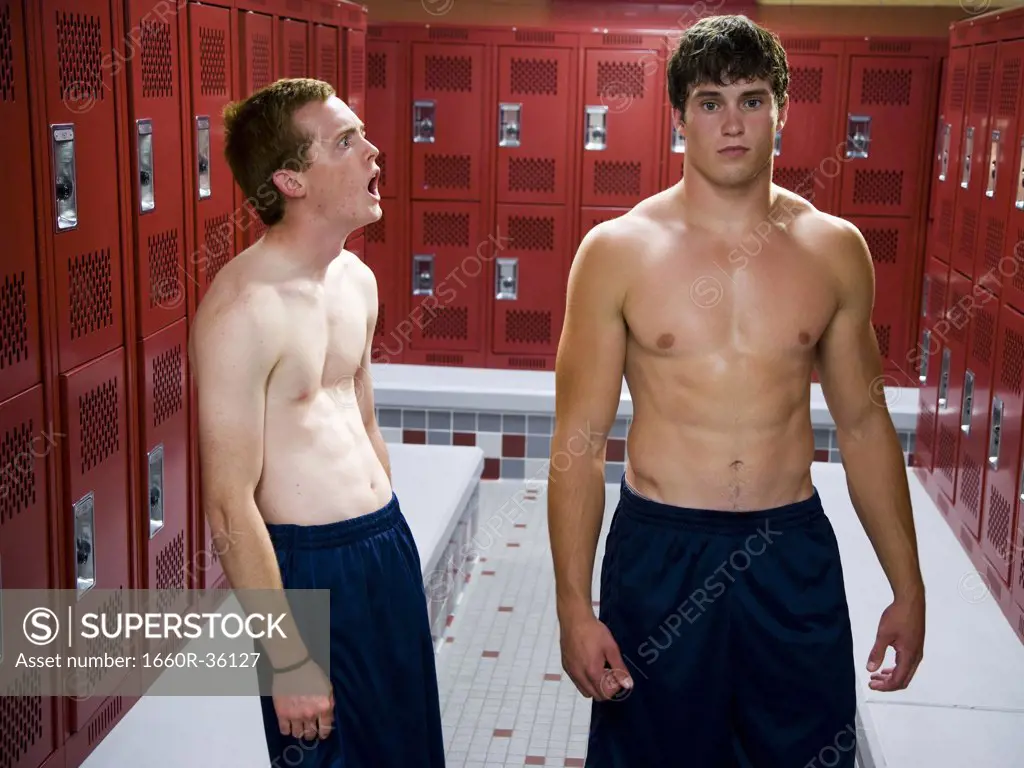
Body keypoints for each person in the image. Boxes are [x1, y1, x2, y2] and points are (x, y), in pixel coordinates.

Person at [548, 15, 926, 768]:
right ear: (679, 117)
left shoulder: (834, 249)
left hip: (788, 552)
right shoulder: (618, 251)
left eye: (753, 100)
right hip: (660, 551)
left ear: (782, 112)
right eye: (711, 101)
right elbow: (579, 445)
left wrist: (907, 586)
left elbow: (862, 425)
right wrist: (572, 606)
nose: (732, 122)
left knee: (807, 751)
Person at [189, 78, 445, 768]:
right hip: (309, 572)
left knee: (410, 751)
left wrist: (393, 537)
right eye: (346, 142)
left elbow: (364, 417)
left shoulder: (355, 280)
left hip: (382, 547)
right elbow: (227, 503)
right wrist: (288, 657)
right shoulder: (243, 309)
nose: (374, 151)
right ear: (290, 181)